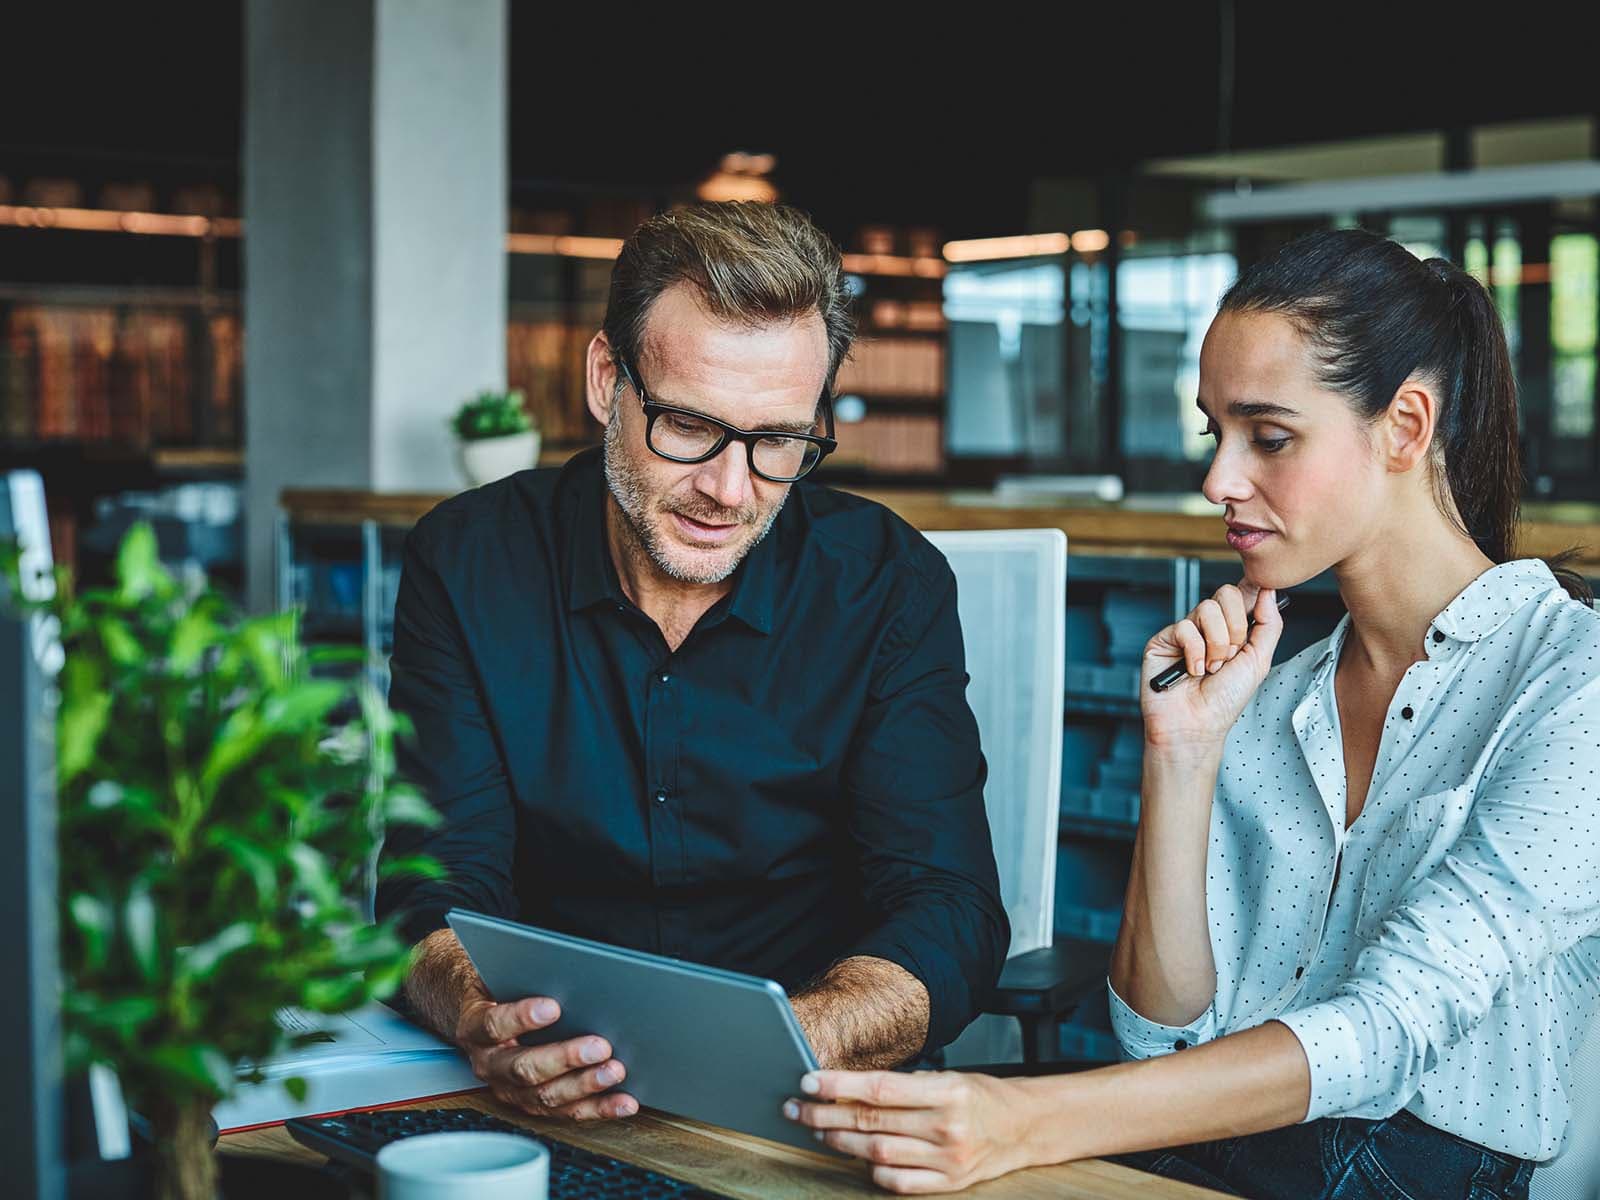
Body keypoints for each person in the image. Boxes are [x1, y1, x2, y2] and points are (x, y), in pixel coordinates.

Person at [785, 227, 1600, 1200]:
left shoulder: (1572, 684)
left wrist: (1026, 1121)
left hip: (1416, 1171)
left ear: (1405, 426)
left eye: (1270, 437)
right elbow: (1159, 1033)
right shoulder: (1274, 695)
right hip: (1232, 1144)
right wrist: (1182, 754)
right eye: (1217, 435)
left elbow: (1388, 1031)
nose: (1217, 482)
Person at [376, 201, 1008, 1123]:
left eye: (777, 440)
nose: (728, 489)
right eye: (685, 424)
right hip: (540, 1088)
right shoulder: (469, 561)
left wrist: (783, 1043)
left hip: (808, 1096)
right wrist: (481, 1016)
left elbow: (948, 908)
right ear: (607, 380)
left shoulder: (887, 585)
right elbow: (432, 882)